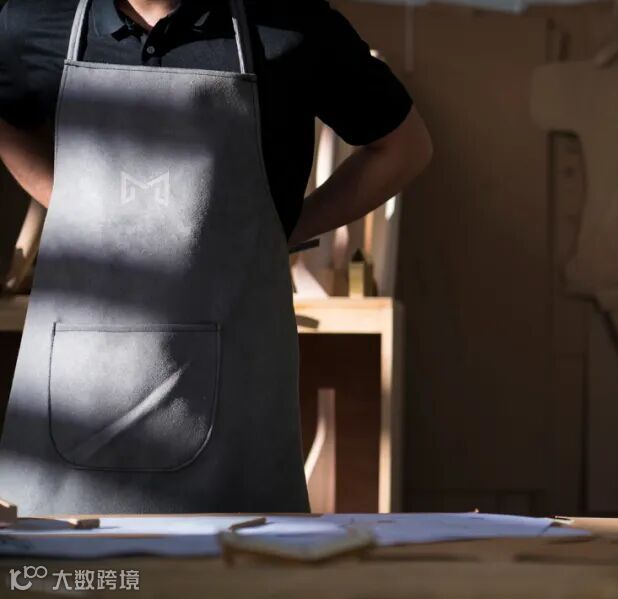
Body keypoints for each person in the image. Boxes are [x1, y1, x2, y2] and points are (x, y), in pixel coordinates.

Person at [0, 0, 432, 515]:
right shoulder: (32, 23)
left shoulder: (293, 28)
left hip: (233, 420)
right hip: (71, 401)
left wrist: (285, 227)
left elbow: (404, 147)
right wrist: (69, 201)